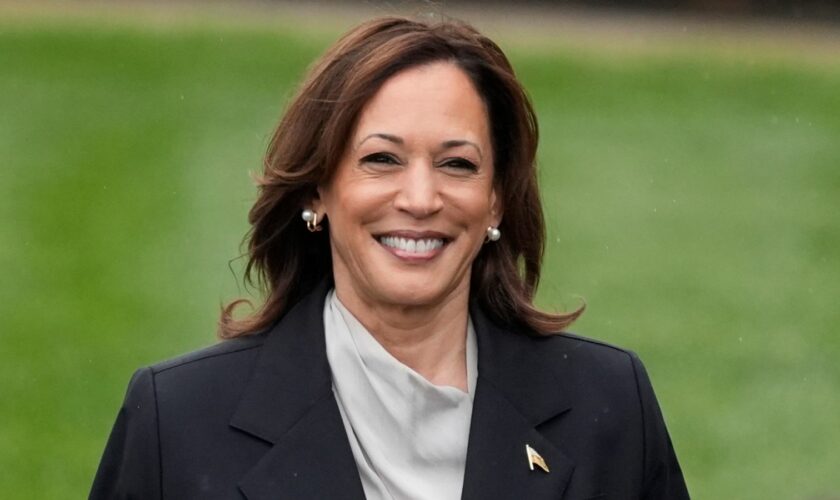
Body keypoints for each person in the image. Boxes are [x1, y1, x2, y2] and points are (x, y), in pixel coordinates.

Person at [90, 16, 689, 500]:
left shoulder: (607, 405)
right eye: (381, 159)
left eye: (458, 164)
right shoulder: (178, 419)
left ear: (496, 202)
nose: (421, 199)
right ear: (317, 188)